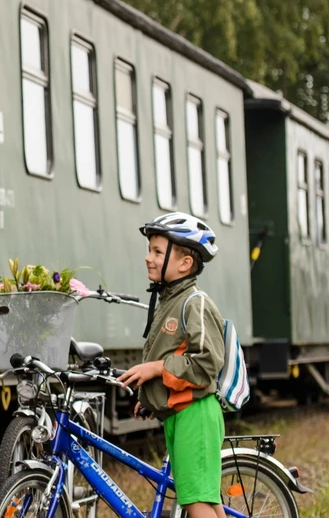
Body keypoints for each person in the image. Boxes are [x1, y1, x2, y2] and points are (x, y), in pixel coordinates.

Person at [116, 212, 226, 518]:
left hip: (196, 414)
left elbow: (205, 364)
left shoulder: (195, 302)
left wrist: (156, 370)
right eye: (149, 250)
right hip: (181, 412)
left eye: (157, 252)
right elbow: (177, 354)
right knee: (202, 496)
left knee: (195, 501)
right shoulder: (169, 300)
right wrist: (150, 397)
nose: (148, 258)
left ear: (184, 263)